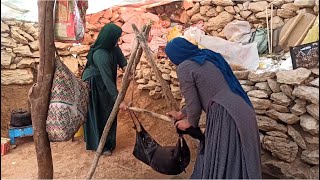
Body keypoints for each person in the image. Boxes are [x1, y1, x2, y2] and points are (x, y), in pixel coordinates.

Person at [166, 37, 262, 179]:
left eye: (170, 57)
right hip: (241, 108)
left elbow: (194, 105)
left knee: (224, 157)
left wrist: (189, 123)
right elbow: (204, 94)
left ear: (175, 55)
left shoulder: (184, 67)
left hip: (225, 114)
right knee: (240, 156)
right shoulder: (207, 57)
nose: (170, 61)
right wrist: (181, 114)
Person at [82, 23, 128, 156]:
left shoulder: (113, 46)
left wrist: (126, 68)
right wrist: (120, 101)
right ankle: (100, 145)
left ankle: (108, 143)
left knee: (108, 110)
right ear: (110, 38)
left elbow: (122, 60)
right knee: (100, 112)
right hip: (94, 83)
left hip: (104, 81)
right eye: (116, 38)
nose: (118, 41)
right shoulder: (100, 54)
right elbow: (108, 80)